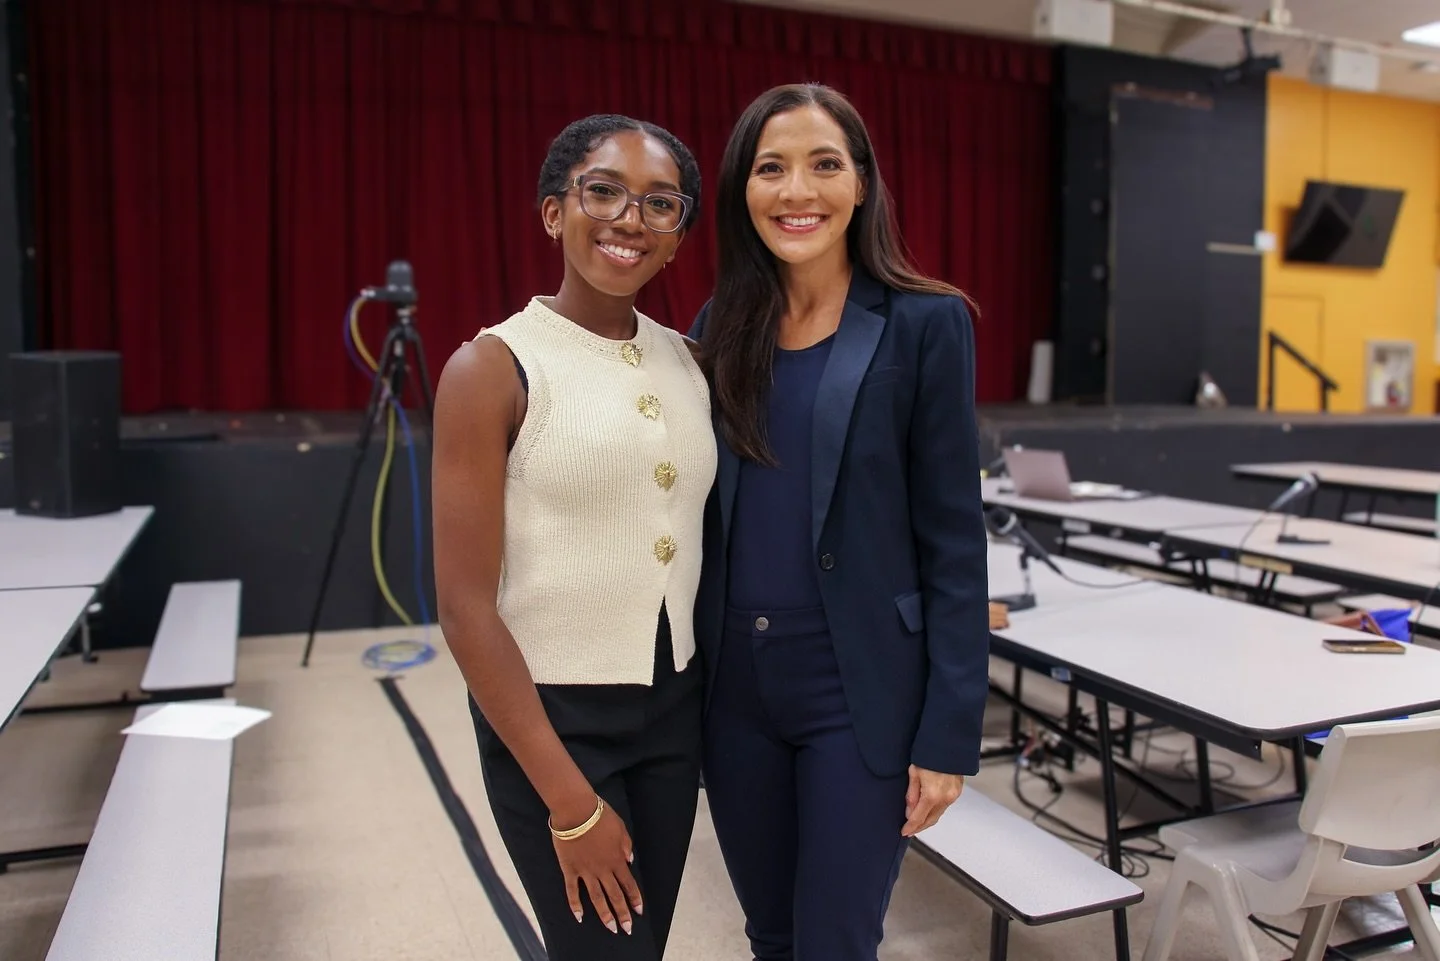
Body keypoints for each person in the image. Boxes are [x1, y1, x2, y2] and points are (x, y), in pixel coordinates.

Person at [689, 82, 991, 961]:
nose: (798, 191)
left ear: (862, 183)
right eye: (771, 168)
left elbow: (954, 542)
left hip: (857, 691)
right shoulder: (721, 327)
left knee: (835, 941)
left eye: (825, 165)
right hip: (736, 692)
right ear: (743, 192)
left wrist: (949, 733)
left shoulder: (927, 324)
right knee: (772, 934)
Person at [431, 114, 715, 961]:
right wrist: (571, 803)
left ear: (676, 239)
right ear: (555, 212)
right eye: (604, 191)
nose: (630, 218)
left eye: (659, 204)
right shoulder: (492, 367)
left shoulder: (692, 362)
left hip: (673, 708)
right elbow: (463, 607)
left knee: (644, 946)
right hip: (551, 721)